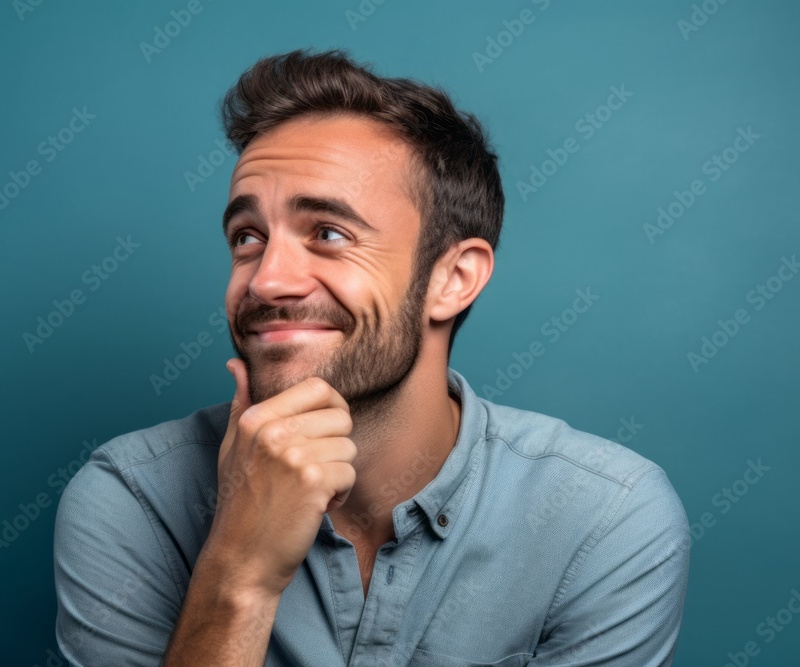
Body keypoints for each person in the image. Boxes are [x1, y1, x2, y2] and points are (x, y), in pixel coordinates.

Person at [53, 48, 690, 666]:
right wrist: (238, 577)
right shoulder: (132, 502)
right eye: (248, 237)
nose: (267, 280)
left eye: (328, 234)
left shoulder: (604, 521)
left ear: (453, 279)